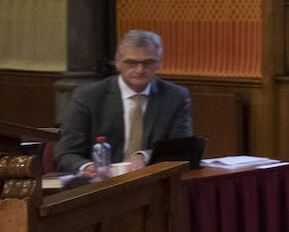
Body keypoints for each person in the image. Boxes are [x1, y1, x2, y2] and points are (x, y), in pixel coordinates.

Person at [55, 29, 192, 176]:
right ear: (117, 63)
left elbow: (181, 149)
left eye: (148, 62)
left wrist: (144, 156)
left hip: (153, 181)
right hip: (99, 185)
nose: (140, 70)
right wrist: (86, 167)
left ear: (159, 63)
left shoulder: (175, 96)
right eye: (131, 63)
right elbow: (66, 153)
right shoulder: (89, 96)